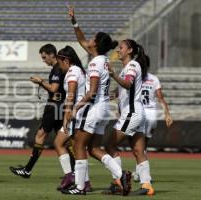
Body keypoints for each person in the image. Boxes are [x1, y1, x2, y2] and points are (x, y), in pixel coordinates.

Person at [61, 6, 131, 196]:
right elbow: (81, 39)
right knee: (93, 148)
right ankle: (121, 174)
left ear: (96, 45)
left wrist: (77, 106)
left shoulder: (94, 63)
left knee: (78, 146)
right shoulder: (103, 59)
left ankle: (80, 187)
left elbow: (91, 92)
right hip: (103, 110)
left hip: (92, 109)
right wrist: (74, 21)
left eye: (92, 38)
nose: (88, 40)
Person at [9, 44, 67, 178]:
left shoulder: (57, 69)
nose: (43, 60)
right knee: (63, 141)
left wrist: (40, 81)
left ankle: (27, 169)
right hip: (61, 106)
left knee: (40, 135)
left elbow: (53, 89)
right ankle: (73, 172)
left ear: (52, 54)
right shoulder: (59, 68)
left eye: (44, 57)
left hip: (54, 107)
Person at [106, 39, 155, 195]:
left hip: (132, 113)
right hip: (137, 113)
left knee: (109, 145)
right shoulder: (127, 68)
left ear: (130, 50)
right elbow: (121, 91)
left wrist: (112, 74)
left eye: (121, 48)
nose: (118, 50)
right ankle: (147, 186)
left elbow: (127, 84)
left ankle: (119, 181)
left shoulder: (132, 66)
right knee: (138, 150)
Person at [54, 45, 91, 192]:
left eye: (59, 61)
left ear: (66, 60)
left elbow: (71, 93)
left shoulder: (72, 71)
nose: (59, 65)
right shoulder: (78, 70)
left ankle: (71, 176)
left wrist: (67, 113)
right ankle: (83, 181)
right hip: (79, 112)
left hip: (76, 114)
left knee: (64, 144)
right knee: (74, 148)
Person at [132, 55, 173, 182]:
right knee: (144, 146)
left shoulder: (135, 77)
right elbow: (160, 97)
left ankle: (141, 174)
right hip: (151, 115)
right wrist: (167, 114)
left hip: (139, 113)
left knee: (138, 145)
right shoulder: (154, 79)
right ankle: (140, 173)